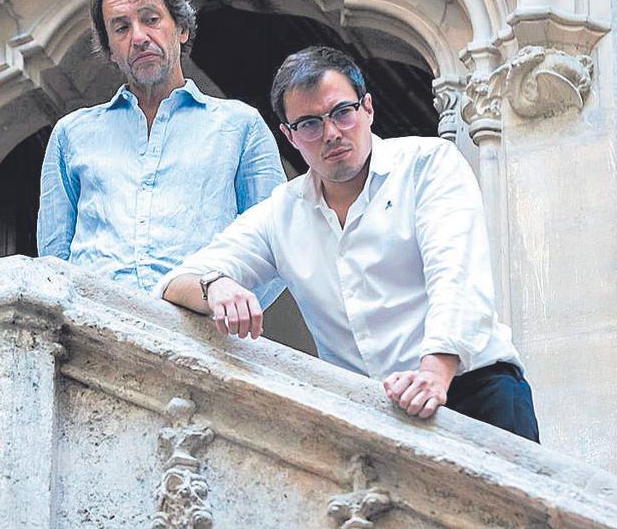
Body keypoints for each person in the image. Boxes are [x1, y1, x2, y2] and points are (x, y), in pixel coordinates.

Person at [157, 46, 539, 441]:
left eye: (342, 112)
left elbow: (456, 275)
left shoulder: (428, 164)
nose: (332, 133)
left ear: (367, 108)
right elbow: (173, 283)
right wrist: (215, 284)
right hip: (373, 417)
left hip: (473, 390)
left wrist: (434, 373)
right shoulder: (281, 213)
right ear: (289, 136)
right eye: (309, 124)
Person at [37, 0, 286, 301]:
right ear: (110, 50)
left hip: (200, 325)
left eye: (151, 19)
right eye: (121, 28)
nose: (139, 37)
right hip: (93, 322)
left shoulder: (240, 127)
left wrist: (223, 315)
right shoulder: (71, 135)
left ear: (181, 29)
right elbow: (53, 261)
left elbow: (275, 245)